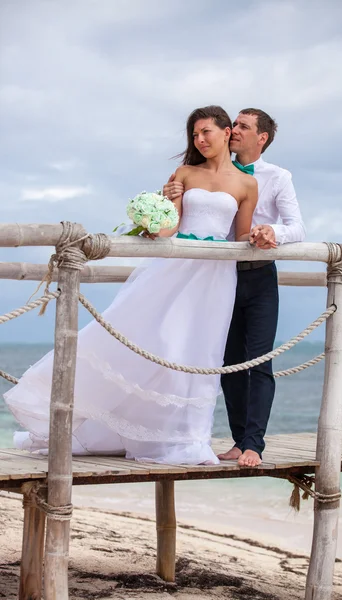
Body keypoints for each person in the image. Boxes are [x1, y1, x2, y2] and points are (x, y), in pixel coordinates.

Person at [4, 105, 258, 466]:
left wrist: (265, 235)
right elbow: (169, 228)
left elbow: (243, 235)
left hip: (216, 277)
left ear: (225, 130)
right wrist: (155, 222)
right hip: (175, 269)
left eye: (206, 132)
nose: (200, 140)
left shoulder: (248, 183)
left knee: (199, 352)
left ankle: (185, 440)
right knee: (148, 340)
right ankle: (97, 419)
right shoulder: (184, 173)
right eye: (195, 134)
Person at [163, 108, 306, 467]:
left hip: (258, 276)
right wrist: (167, 198)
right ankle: (239, 440)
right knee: (227, 362)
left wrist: (273, 232)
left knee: (259, 361)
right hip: (217, 276)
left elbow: (297, 228)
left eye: (244, 126)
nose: (236, 131)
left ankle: (254, 445)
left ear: (262, 138)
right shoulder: (198, 172)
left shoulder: (276, 176)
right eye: (235, 125)